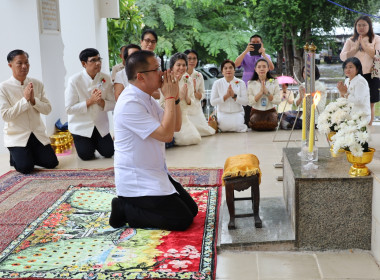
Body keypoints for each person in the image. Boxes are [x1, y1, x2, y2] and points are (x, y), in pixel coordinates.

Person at [110, 50, 198, 230]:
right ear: (141, 77)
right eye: (157, 69)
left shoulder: (146, 97)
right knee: (181, 220)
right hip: (137, 180)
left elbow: (176, 126)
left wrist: (175, 97)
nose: (162, 73)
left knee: (192, 209)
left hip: (154, 171)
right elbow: (166, 136)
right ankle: (125, 209)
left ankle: (132, 206)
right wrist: (170, 97)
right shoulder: (129, 103)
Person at [0, 49, 58, 174]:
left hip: (36, 133)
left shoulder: (37, 84)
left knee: (52, 163)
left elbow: (48, 109)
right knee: (25, 168)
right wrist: (25, 100)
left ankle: (27, 154)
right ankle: (16, 156)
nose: (24, 66)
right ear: (10, 65)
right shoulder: (3, 87)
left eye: (26, 63)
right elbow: (6, 116)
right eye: (19, 63)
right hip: (17, 135)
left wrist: (33, 100)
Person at [65, 48, 115, 160]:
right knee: (86, 156)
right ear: (84, 64)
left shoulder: (105, 78)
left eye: (99, 59)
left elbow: (113, 104)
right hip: (81, 126)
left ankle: (96, 142)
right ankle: (85, 143)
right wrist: (90, 101)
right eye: (93, 60)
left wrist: (101, 102)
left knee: (109, 152)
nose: (98, 63)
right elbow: (69, 109)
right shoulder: (74, 80)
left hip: (100, 125)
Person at [340, 15, 380, 125]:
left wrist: (364, 46)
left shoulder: (376, 38)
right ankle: (353, 125)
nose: (361, 27)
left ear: (369, 26)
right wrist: (356, 47)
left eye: (364, 25)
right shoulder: (350, 40)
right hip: (353, 75)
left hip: (371, 74)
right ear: (355, 27)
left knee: (371, 102)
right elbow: (343, 57)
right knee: (351, 100)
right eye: (359, 25)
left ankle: (368, 127)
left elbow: (378, 56)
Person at [160, 53, 201, 146]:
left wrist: (186, 97)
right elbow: (161, 104)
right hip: (170, 117)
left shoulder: (188, 80)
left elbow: (193, 103)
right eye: (178, 65)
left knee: (195, 138)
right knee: (184, 139)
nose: (181, 68)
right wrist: (178, 97)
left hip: (184, 117)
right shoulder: (166, 80)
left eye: (184, 65)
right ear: (172, 66)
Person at [235, 34, 275, 127]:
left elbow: (271, 67)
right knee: (247, 107)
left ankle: (260, 124)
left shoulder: (266, 56)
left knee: (260, 107)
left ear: (262, 44)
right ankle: (247, 125)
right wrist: (246, 51)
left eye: (258, 42)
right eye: (253, 43)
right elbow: (236, 64)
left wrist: (263, 54)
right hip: (247, 85)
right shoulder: (246, 55)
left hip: (261, 86)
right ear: (249, 44)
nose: (255, 44)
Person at [210, 60, 248, 132]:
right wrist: (226, 96)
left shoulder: (241, 83)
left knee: (238, 126)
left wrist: (234, 96)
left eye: (230, 68)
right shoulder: (217, 83)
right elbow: (212, 102)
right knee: (224, 127)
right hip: (222, 113)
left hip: (237, 113)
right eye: (225, 68)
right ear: (222, 71)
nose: (228, 70)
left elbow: (245, 102)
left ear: (234, 70)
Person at [184, 49, 215, 136]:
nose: (192, 61)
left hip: (196, 108)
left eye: (194, 58)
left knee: (206, 132)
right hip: (184, 108)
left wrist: (195, 93)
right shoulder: (181, 75)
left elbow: (203, 94)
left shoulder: (199, 75)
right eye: (189, 58)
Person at [247, 58, 281, 131]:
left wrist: (267, 93)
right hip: (256, 112)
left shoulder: (274, 81)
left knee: (272, 124)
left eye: (264, 66)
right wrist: (260, 93)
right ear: (255, 69)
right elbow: (250, 102)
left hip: (270, 112)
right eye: (259, 67)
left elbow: (278, 101)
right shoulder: (251, 83)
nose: (261, 69)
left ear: (268, 68)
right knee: (255, 123)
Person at [337, 57, 370, 123]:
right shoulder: (347, 80)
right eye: (346, 67)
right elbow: (345, 98)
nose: (347, 69)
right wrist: (341, 92)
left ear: (357, 69)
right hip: (350, 115)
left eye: (350, 67)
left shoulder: (360, 81)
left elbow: (359, 101)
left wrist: (345, 93)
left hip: (361, 117)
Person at [140, 29, 161, 99]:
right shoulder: (135, 60)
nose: (150, 44)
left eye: (153, 42)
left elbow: (157, 84)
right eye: (147, 41)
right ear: (141, 42)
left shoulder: (157, 61)